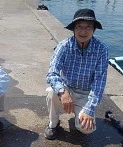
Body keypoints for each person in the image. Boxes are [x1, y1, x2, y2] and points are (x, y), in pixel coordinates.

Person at [44, 8, 108, 140]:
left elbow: (99, 84)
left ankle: (80, 114)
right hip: (66, 87)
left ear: (94, 29)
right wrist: (63, 92)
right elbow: (52, 73)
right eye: (79, 27)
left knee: (87, 129)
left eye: (88, 27)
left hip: (85, 92)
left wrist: (89, 109)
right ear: (73, 29)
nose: (83, 31)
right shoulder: (64, 46)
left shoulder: (102, 50)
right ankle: (53, 123)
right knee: (51, 92)